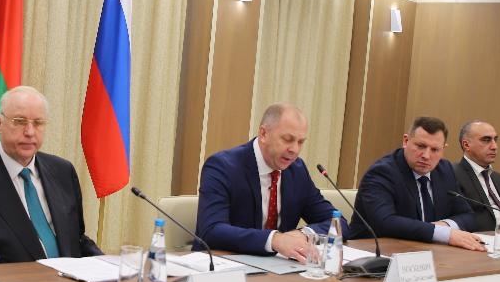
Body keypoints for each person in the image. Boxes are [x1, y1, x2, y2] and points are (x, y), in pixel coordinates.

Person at [0, 86, 101, 265]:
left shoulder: (63, 171)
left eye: (38, 123)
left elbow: (76, 239)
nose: (30, 132)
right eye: (19, 121)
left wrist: (110, 266)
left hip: (67, 280)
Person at [194, 103, 343, 262]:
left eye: (300, 142)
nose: (294, 149)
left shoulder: (297, 171)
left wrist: (304, 234)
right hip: (225, 265)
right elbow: (211, 230)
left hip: (277, 268)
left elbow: (338, 223)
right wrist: (274, 239)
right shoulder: (222, 166)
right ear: (264, 134)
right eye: (287, 139)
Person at [348, 116, 483, 249]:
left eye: (435, 149)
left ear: (443, 149)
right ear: (406, 141)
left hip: (425, 251)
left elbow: (468, 216)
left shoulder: (445, 170)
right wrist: (443, 233)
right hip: (372, 252)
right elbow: (385, 222)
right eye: (421, 146)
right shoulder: (382, 172)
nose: (426, 156)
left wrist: (443, 226)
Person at [453, 120, 500, 232]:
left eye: (495, 140)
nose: (494, 146)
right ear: (466, 145)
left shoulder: (499, 179)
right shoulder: (453, 175)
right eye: (486, 140)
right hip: (483, 237)